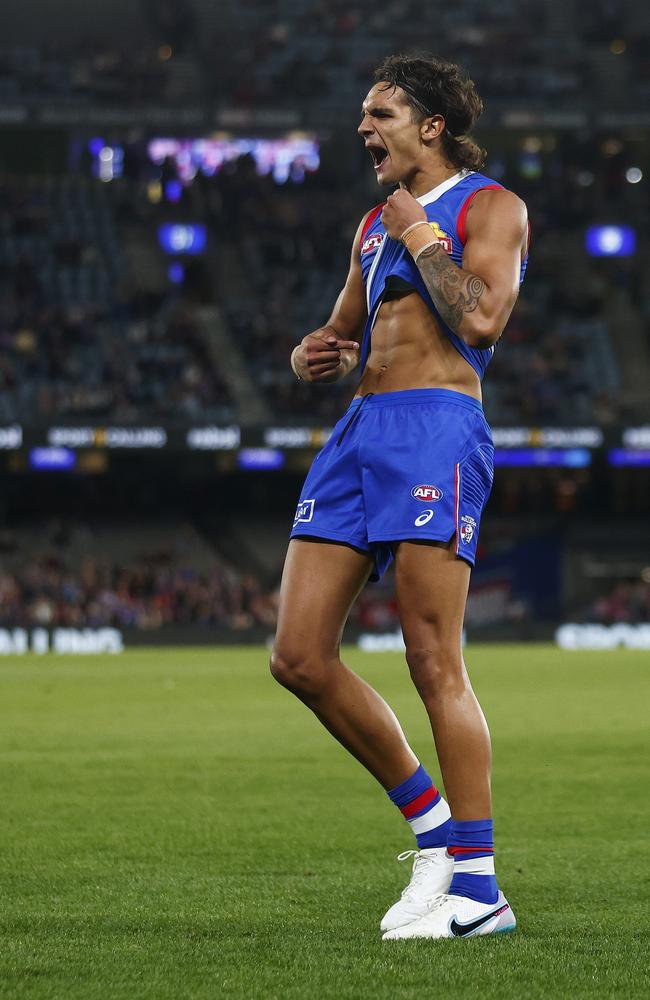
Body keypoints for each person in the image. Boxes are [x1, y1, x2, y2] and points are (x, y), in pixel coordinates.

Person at [271, 53, 529, 940]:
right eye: (363, 114)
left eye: (380, 113)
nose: (363, 129)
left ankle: (478, 886)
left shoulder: (490, 207)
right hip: (358, 432)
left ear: (431, 125)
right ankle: (431, 837)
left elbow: (482, 318)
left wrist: (422, 230)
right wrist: (321, 353)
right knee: (298, 657)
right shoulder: (371, 225)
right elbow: (344, 331)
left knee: (431, 657)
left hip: (436, 427)